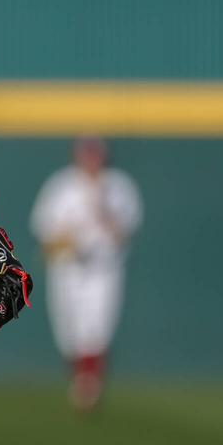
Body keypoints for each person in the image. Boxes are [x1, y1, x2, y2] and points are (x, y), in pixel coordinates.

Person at [30, 137, 142, 412]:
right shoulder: (61, 186)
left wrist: (106, 215)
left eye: (95, 156)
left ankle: (88, 387)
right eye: (87, 156)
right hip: (66, 269)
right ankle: (81, 382)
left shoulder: (118, 186)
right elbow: (44, 237)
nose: (91, 162)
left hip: (103, 270)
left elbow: (126, 230)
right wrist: (65, 241)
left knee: (96, 329)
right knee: (68, 334)